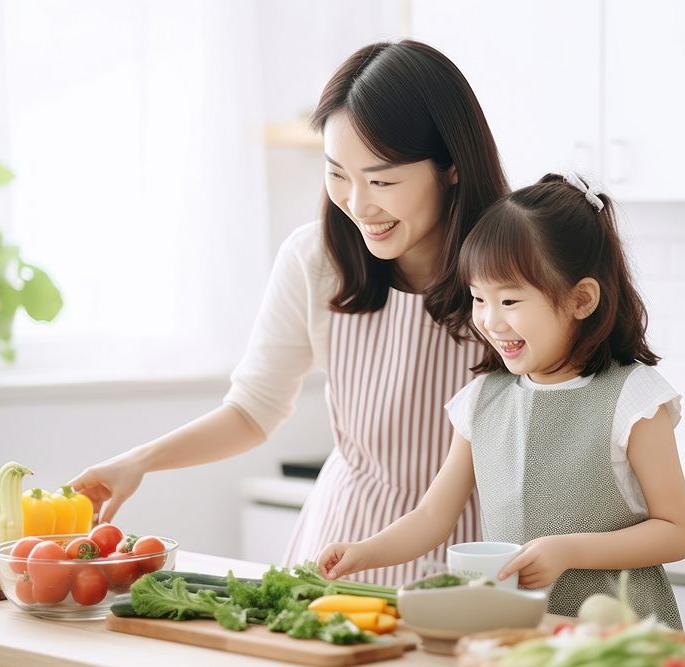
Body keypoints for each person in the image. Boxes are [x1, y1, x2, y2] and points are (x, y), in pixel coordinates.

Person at [69, 40, 509, 586]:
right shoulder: (316, 260)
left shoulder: (516, 267)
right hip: (339, 550)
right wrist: (139, 460)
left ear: (451, 167)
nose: (358, 203)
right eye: (336, 174)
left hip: (472, 560)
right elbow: (252, 411)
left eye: (383, 180)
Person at [317, 173, 685, 627]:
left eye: (510, 301)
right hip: (521, 638)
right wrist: (364, 552)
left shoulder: (633, 397)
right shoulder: (482, 401)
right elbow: (433, 515)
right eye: (479, 298)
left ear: (581, 299)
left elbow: (676, 533)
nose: (490, 321)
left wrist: (569, 550)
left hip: (623, 638)